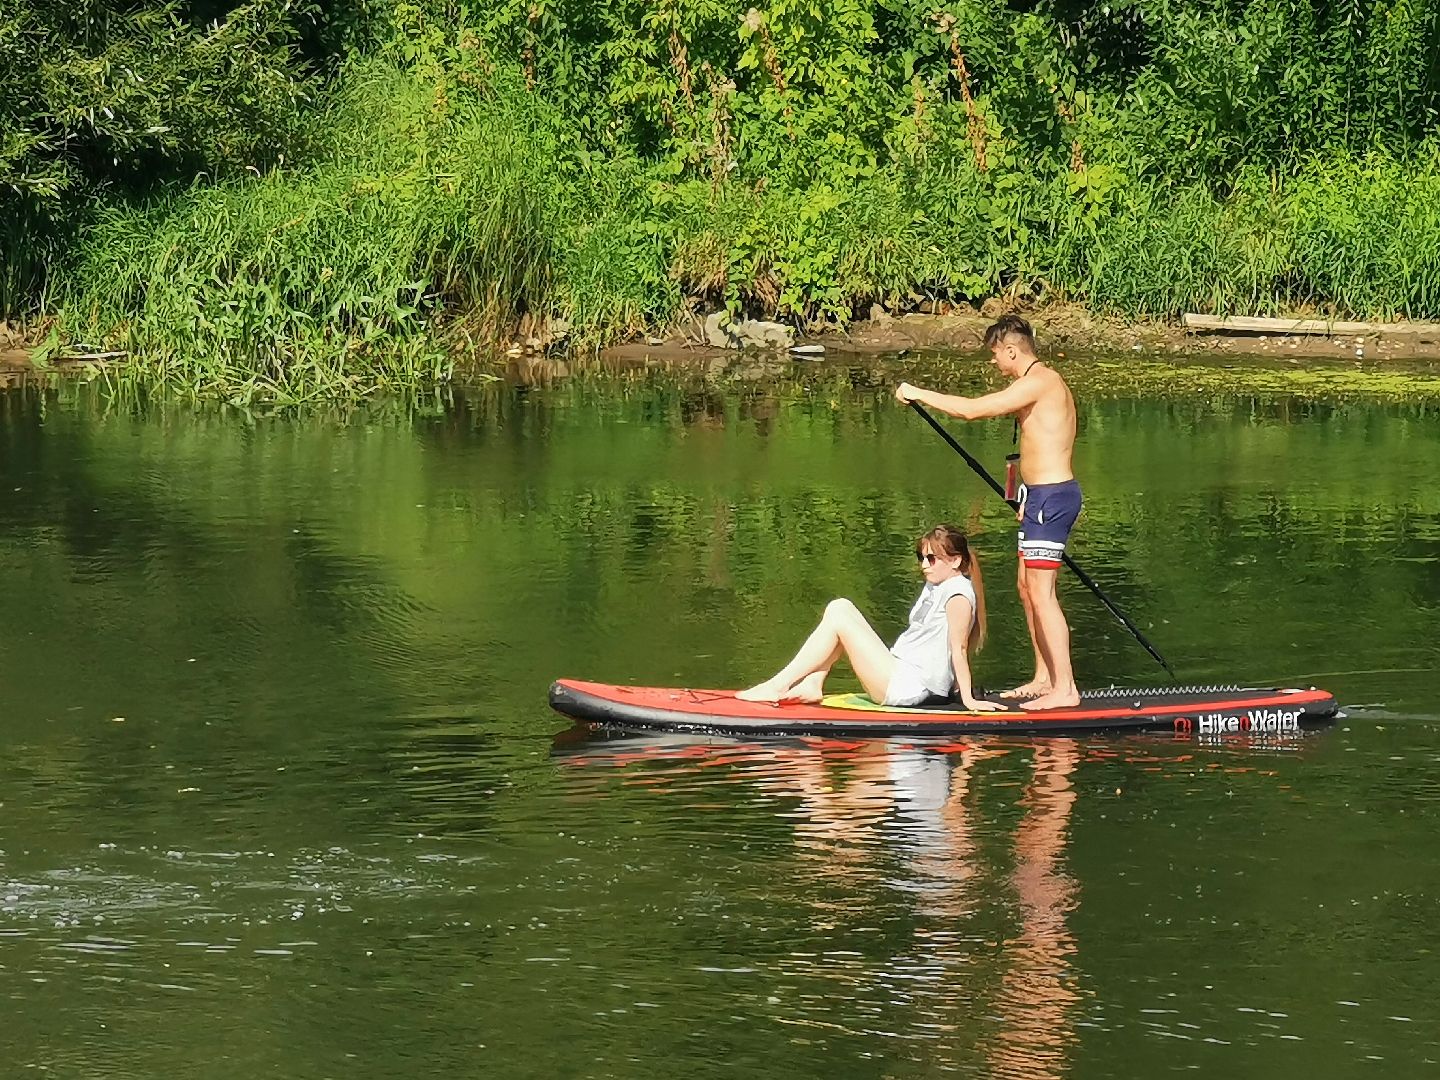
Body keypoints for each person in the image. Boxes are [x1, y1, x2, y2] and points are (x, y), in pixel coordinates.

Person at [895, 315, 1081, 710]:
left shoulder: (1040, 382)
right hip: (1037, 499)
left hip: (1053, 499)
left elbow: (972, 412)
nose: (995, 363)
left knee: (1044, 595)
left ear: (1012, 350)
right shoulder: (1035, 383)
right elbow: (1030, 448)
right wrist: (1021, 496)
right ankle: (1044, 677)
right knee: (1026, 589)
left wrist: (918, 393)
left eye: (996, 355)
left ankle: (1065, 689)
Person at [736, 525, 1004, 711]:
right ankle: (814, 682)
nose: (923, 565)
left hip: (908, 686)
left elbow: (958, 649)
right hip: (899, 671)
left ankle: (776, 686)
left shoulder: (957, 594)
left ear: (956, 561)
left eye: (932, 559)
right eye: (921, 557)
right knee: (840, 612)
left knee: (840, 611)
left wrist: (967, 699)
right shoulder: (937, 584)